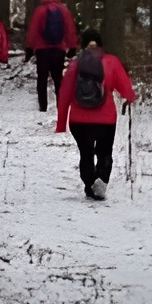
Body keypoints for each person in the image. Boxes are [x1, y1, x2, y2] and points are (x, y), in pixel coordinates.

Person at [56, 29, 136, 199]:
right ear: (100, 44)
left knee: (86, 154)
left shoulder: (75, 64)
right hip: (105, 119)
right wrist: (130, 97)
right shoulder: (111, 62)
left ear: (83, 44)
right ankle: (101, 181)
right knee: (104, 152)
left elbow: (64, 95)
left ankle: (89, 183)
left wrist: (61, 122)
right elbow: (125, 87)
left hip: (79, 120)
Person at [26, 0, 78, 112]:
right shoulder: (64, 10)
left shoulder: (39, 11)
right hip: (58, 49)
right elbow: (70, 29)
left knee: (42, 78)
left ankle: (42, 105)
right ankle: (61, 105)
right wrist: (72, 46)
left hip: (42, 49)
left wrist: (29, 47)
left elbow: (32, 30)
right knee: (58, 78)